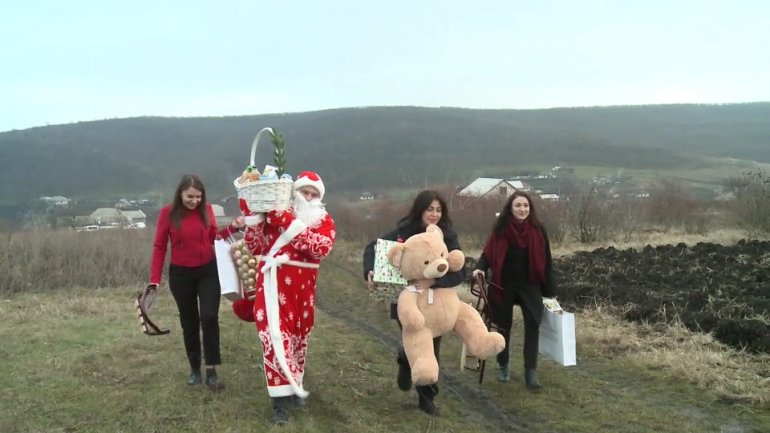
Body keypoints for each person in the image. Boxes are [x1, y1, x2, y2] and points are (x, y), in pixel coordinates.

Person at [231, 171, 336, 425]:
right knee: (274, 337)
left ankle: (293, 383)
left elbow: (320, 248)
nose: (309, 197)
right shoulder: (272, 214)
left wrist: (288, 221)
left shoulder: (324, 221)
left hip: (304, 293)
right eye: (304, 192)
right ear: (293, 192)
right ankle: (280, 403)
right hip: (272, 286)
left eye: (314, 194)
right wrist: (253, 218)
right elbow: (255, 246)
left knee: (299, 338)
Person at [362, 190, 465, 416]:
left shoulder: (447, 236)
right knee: (418, 343)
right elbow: (373, 247)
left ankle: (422, 389)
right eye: (430, 209)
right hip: (406, 302)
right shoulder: (403, 232)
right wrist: (370, 271)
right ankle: (415, 377)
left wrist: (433, 281)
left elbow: (460, 273)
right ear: (420, 209)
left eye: (438, 210)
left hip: (436, 305)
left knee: (431, 349)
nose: (434, 214)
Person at [148, 174, 246, 388]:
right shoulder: (167, 214)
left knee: (209, 317)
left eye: (198, 197)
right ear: (180, 194)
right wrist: (154, 280)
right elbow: (159, 247)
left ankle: (211, 370)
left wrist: (234, 227)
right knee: (189, 321)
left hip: (208, 272)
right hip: (181, 275)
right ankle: (195, 369)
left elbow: (214, 237)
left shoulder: (206, 210)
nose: (194, 201)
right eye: (190, 197)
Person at [472, 190, 556, 390]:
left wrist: (550, 290)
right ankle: (503, 365)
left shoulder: (538, 229)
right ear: (510, 208)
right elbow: (488, 253)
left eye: (526, 205)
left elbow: (547, 259)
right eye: (518, 205)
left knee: (533, 327)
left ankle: (531, 373)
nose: (522, 209)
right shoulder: (500, 229)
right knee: (503, 328)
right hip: (503, 283)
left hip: (530, 285)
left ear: (530, 208)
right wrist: (480, 268)